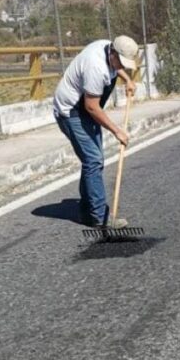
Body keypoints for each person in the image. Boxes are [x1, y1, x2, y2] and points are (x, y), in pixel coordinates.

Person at [53, 35, 140, 226]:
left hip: (85, 109)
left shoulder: (107, 48)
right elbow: (92, 107)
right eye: (121, 62)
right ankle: (100, 218)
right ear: (113, 53)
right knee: (93, 160)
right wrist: (117, 131)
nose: (122, 66)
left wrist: (127, 80)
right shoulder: (96, 67)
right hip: (72, 111)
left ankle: (87, 211)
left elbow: (116, 67)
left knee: (92, 160)